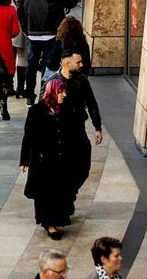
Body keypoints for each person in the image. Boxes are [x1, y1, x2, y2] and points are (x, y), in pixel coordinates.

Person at [44, 50, 103, 214]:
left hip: (78, 128)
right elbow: (43, 109)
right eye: (78, 62)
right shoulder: (52, 82)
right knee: (64, 169)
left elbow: (92, 104)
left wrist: (97, 127)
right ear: (66, 63)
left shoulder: (82, 81)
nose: (82, 65)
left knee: (83, 166)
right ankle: (66, 199)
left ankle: (70, 192)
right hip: (60, 133)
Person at [18, 0, 80, 105]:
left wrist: (26, 29)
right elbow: (70, 1)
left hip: (32, 34)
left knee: (31, 66)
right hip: (51, 34)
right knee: (48, 66)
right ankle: (44, 96)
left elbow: (20, 11)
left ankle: (29, 95)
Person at [20, 78, 75, 239]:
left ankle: (58, 219)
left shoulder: (65, 110)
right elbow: (28, 136)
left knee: (60, 191)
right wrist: (24, 160)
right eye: (60, 91)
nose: (64, 95)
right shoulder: (36, 111)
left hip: (61, 159)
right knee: (45, 193)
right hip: (43, 161)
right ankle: (49, 223)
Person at [5, 0, 31, 97]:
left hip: (8, 24)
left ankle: (9, 86)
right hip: (21, 24)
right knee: (22, 56)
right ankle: (21, 87)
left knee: (10, 56)